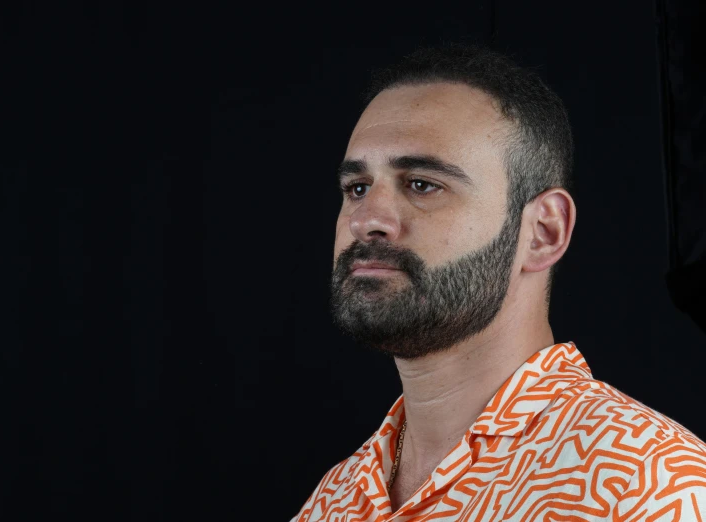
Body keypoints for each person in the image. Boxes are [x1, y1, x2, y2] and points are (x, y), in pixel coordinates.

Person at [291, 44, 706, 521]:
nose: (367, 220)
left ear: (543, 232)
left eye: (422, 183)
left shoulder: (651, 485)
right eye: (357, 188)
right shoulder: (332, 501)